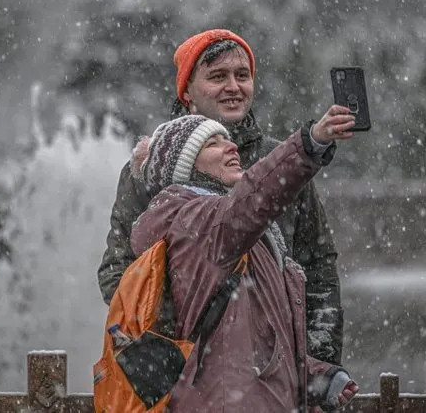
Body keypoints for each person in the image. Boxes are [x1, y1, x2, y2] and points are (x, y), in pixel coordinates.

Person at [98, 29, 344, 364]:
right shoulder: (148, 169)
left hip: (273, 369)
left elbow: (318, 267)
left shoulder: (281, 160)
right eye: (217, 76)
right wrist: (167, 345)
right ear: (187, 91)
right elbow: (119, 271)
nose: (233, 86)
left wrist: (321, 361)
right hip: (185, 372)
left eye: (242, 75)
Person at [127, 110, 358, 412]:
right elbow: (257, 195)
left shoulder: (232, 233)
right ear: (183, 166)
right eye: (212, 144)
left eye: (228, 138)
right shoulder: (198, 221)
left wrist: (316, 375)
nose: (231, 146)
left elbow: (253, 339)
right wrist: (309, 142)